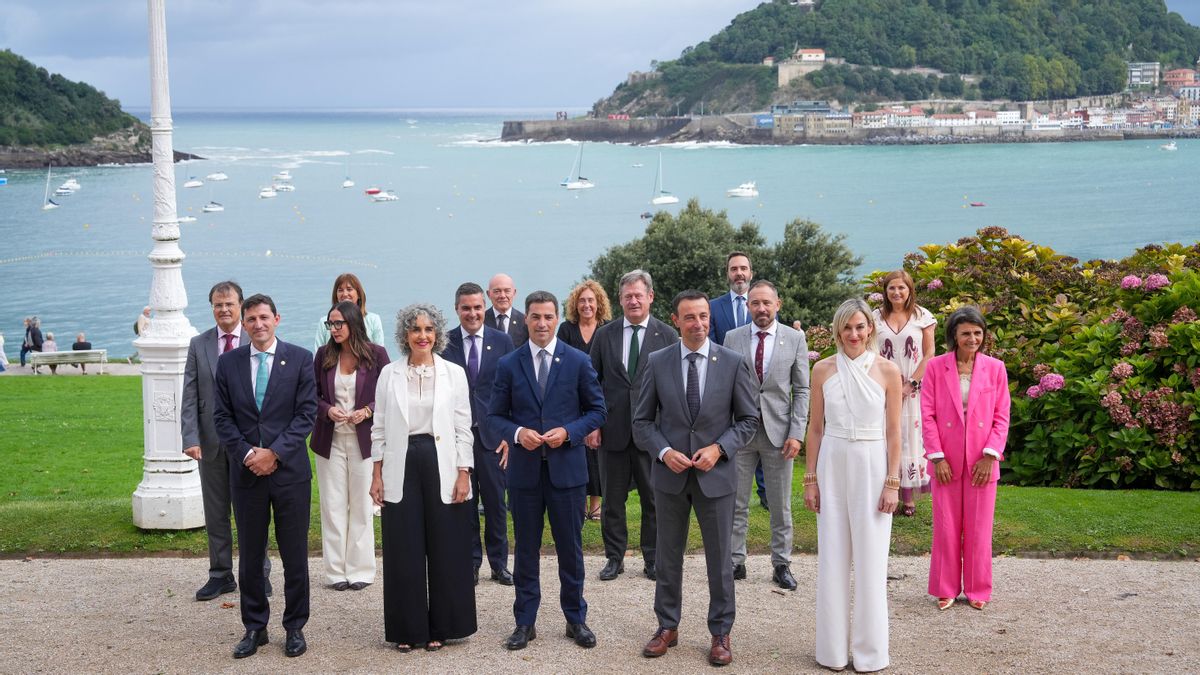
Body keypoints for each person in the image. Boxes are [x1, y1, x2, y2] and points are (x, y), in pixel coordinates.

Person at [633, 290, 759, 667]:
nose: (699, 324)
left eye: (704, 316)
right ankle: (667, 627)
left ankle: (721, 632)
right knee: (667, 556)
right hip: (670, 477)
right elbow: (641, 422)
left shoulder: (733, 362)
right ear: (676, 320)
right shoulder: (657, 361)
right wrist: (663, 452)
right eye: (690, 317)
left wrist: (720, 449)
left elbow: (749, 420)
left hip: (716, 478)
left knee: (720, 560)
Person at [486, 291, 607, 651]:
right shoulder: (509, 364)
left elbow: (598, 411)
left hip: (567, 473)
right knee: (525, 550)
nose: (541, 323)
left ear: (557, 319)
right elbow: (494, 417)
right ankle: (525, 622)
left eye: (548, 317)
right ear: (527, 320)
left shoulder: (577, 362)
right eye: (535, 317)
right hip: (524, 473)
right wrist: (519, 434)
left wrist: (569, 432)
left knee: (571, 549)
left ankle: (575, 618)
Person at [213, 293, 317, 659]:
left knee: (294, 555)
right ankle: (255, 627)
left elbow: (306, 414)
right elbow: (221, 418)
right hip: (246, 474)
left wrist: (274, 452)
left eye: (263, 317)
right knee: (251, 556)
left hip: (289, 473)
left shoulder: (301, 359)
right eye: (251, 319)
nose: (258, 324)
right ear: (244, 324)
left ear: (277, 318)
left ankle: (294, 627)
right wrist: (247, 454)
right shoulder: (228, 364)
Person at [369, 303, 477, 652]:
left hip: (442, 461)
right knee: (403, 547)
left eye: (429, 329)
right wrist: (376, 474)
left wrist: (464, 472)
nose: (423, 335)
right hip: (400, 463)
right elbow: (379, 427)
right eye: (416, 329)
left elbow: (463, 427)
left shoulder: (454, 373)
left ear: (437, 334)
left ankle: (444, 626)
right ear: (405, 335)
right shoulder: (389, 374)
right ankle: (407, 628)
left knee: (446, 546)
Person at [803, 298, 902, 672]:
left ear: (870, 329)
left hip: (873, 463)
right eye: (847, 327)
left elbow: (894, 433)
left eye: (860, 326)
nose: (854, 334)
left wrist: (892, 483)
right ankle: (830, 651)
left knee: (871, 560)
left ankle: (870, 653)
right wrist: (810, 480)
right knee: (832, 557)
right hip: (833, 459)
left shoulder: (888, 371)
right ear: (837, 330)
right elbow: (815, 429)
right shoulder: (823, 370)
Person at [182, 281, 273, 603]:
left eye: (230, 304)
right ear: (212, 308)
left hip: (250, 444)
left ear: (241, 306)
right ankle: (220, 574)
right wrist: (190, 437)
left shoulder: (259, 337)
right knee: (216, 512)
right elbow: (190, 394)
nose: (224, 310)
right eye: (218, 305)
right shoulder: (199, 344)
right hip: (211, 443)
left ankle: (259, 573)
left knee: (252, 511)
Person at [588, 270, 677, 582]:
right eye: (628, 296)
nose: (634, 300)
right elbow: (591, 381)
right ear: (620, 300)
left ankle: (652, 559)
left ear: (650, 297)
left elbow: (673, 386)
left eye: (639, 295)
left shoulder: (666, 335)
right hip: (611, 430)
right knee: (613, 501)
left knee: (654, 499)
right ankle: (614, 557)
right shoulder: (605, 334)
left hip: (652, 433)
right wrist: (593, 423)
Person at [921, 306, 1011, 612]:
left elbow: (1001, 417)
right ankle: (945, 588)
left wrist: (990, 456)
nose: (972, 338)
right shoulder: (935, 367)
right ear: (954, 336)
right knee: (946, 527)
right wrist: (937, 457)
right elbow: (928, 415)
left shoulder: (995, 368)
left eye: (977, 333)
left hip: (982, 461)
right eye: (965, 333)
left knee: (979, 529)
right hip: (944, 460)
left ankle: (977, 589)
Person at [724, 280, 810, 590]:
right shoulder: (731, 338)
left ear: (778, 305)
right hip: (740, 432)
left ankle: (781, 564)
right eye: (755, 303)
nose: (761, 308)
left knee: (780, 503)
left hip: (780, 433)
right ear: (748, 306)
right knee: (736, 502)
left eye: (767, 303)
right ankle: (735, 562)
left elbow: (801, 388)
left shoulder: (794, 338)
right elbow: (725, 387)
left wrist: (797, 433)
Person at [311, 301, 390, 592]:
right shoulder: (323, 356)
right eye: (330, 324)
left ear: (353, 323)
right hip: (329, 439)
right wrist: (328, 410)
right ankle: (335, 572)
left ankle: (360, 569)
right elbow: (313, 395)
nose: (333, 329)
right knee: (332, 506)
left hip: (364, 440)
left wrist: (368, 410)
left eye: (338, 323)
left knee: (361, 504)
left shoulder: (376, 355)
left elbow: (388, 392)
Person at [442, 282, 515, 586]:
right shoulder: (445, 343)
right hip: (457, 436)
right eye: (465, 308)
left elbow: (514, 389)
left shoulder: (503, 342)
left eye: (476, 307)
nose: (472, 313)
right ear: (457, 309)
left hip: (493, 436)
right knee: (465, 503)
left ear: (482, 307)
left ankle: (499, 564)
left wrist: (509, 435)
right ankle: (471, 562)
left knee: (497, 503)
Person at [708, 252, 769, 509]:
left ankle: (767, 497)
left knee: (766, 446)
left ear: (751, 272)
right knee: (736, 445)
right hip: (728, 387)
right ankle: (733, 497)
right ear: (728, 274)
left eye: (743, 268)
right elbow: (710, 344)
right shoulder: (713, 306)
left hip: (762, 388)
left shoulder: (764, 304)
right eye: (734, 269)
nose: (739, 273)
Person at [873, 270, 937, 517]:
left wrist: (911, 383)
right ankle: (885, 489)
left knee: (910, 436)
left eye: (901, 288)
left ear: (909, 290)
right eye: (892, 288)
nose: (897, 292)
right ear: (885, 291)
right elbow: (870, 350)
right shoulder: (875, 317)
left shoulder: (922, 316)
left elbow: (929, 353)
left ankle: (908, 497)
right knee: (884, 434)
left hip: (913, 389)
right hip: (882, 386)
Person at [556, 279, 612, 521]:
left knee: (598, 452)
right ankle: (577, 502)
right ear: (575, 304)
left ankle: (596, 506)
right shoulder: (566, 329)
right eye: (582, 300)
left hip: (600, 398)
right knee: (578, 451)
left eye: (591, 300)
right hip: (572, 399)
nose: (586, 305)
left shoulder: (607, 329)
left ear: (598, 303)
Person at [313, 273, 386, 352]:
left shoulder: (373, 319)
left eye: (349, 289)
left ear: (358, 294)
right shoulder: (325, 322)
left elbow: (380, 350)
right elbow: (318, 353)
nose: (344, 294)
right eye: (340, 290)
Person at [484, 273, 529, 347]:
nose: (502, 296)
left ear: (514, 293)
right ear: (488, 294)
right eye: (497, 291)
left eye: (507, 291)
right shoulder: (481, 320)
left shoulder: (525, 321)